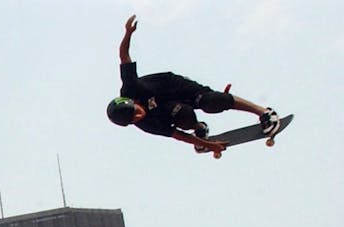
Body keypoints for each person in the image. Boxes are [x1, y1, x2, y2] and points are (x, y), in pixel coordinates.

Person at [108, 15, 280, 153]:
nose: (139, 116)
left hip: (176, 87)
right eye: (134, 120)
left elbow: (124, 56)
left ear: (132, 101)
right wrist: (207, 144)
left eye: (135, 112)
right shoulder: (145, 124)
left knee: (211, 101)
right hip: (170, 109)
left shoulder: (130, 87)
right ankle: (199, 128)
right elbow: (178, 135)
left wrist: (128, 33)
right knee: (184, 115)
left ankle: (264, 113)